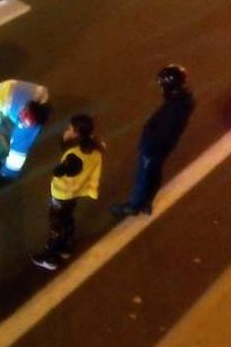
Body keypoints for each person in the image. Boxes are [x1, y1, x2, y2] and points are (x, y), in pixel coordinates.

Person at [110, 64, 195, 218]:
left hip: (154, 148)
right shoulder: (184, 100)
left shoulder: (174, 109)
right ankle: (147, 201)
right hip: (163, 147)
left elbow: (162, 132)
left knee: (144, 176)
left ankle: (134, 205)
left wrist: (147, 148)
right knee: (154, 172)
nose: (161, 89)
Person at [32, 114, 104, 270]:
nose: (68, 130)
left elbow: (59, 171)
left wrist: (64, 142)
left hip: (61, 194)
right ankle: (65, 248)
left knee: (56, 225)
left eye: (70, 129)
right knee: (67, 219)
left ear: (77, 134)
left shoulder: (74, 156)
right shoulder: (94, 149)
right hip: (74, 193)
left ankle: (50, 257)